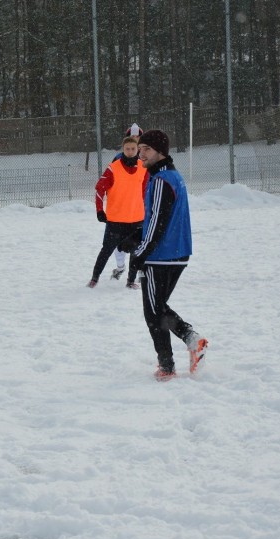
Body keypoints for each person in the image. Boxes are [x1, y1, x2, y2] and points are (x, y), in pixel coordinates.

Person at [118, 130, 208, 381]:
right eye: (140, 148)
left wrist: (140, 252)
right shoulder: (170, 176)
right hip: (174, 253)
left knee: (153, 311)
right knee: (156, 308)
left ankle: (171, 362)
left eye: (146, 149)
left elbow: (158, 222)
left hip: (161, 256)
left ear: (160, 152)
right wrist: (138, 234)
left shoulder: (161, 180)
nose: (141, 154)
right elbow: (159, 218)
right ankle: (188, 343)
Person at [88, 130, 148, 289]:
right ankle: (94, 278)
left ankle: (131, 281)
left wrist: (148, 210)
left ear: (137, 150)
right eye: (127, 149)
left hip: (137, 219)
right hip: (116, 220)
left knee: (137, 251)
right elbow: (99, 189)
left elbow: (145, 191)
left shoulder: (144, 167)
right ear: (123, 149)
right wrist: (100, 210)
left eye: (133, 149)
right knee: (106, 250)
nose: (130, 151)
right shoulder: (113, 168)